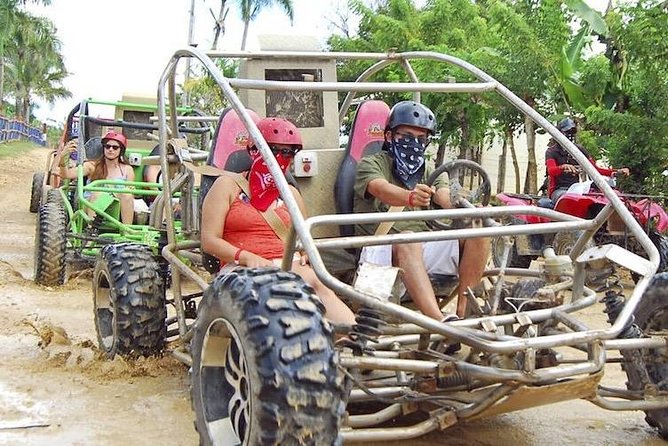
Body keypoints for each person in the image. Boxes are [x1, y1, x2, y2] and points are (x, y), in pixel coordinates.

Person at [201, 117, 356, 326]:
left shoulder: (290, 194)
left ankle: (353, 337)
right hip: (240, 268)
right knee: (273, 295)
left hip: (285, 264)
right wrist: (245, 257)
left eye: (288, 152)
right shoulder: (227, 186)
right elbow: (210, 241)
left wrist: (304, 254)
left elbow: (303, 237)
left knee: (318, 284)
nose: (281, 157)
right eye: (274, 150)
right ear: (254, 150)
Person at [353, 101, 490, 320]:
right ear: (389, 136)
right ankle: (439, 322)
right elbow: (379, 187)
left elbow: (445, 197)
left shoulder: (431, 171)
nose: (413, 143)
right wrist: (409, 197)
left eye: (420, 139)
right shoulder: (372, 163)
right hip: (379, 248)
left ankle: (464, 312)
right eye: (406, 136)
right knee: (408, 240)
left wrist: (468, 207)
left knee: (479, 230)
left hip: (420, 248)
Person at [545, 118, 629, 204]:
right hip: (559, 190)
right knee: (569, 198)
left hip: (577, 188)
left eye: (572, 132)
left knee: (597, 198)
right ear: (559, 133)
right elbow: (551, 171)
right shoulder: (551, 151)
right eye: (567, 132)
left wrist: (617, 172)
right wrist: (562, 167)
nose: (570, 135)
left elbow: (595, 170)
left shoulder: (579, 150)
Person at [60, 130, 136, 225]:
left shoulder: (127, 170)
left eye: (115, 147)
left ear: (121, 150)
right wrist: (63, 157)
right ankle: (91, 230)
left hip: (115, 207)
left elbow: (131, 195)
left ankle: (127, 231)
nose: (110, 149)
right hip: (89, 204)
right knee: (98, 193)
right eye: (107, 146)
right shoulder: (92, 166)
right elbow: (65, 175)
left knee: (127, 195)